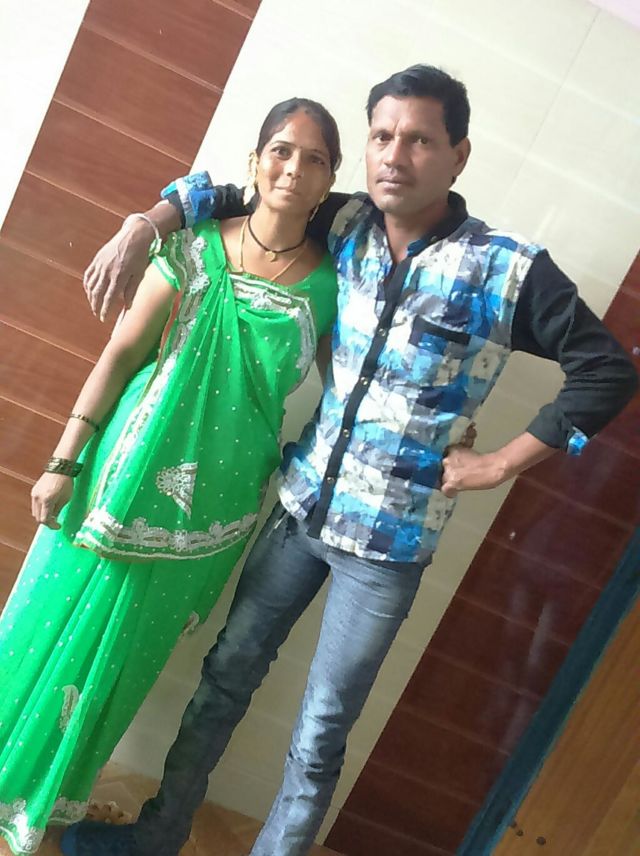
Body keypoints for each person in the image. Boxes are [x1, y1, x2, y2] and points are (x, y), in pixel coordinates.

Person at [62, 65, 638, 856]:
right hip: (300, 510)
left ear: (459, 155)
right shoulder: (345, 222)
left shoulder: (502, 269)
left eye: (420, 140)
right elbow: (237, 193)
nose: (395, 155)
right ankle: (157, 838)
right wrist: (144, 224)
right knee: (223, 680)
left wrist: (501, 462)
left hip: (388, 547)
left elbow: (606, 371)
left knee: (318, 735)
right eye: (381, 136)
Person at [0, 97, 344, 856]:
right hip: (118, 480)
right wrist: (63, 461)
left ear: (329, 182)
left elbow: (348, 392)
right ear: (254, 162)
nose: (294, 168)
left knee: (123, 665)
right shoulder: (193, 251)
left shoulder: (329, 290)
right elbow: (120, 355)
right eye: (281, 151)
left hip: (212, 514)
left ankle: (52, 804)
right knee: (42, 624)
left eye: (314, 159)